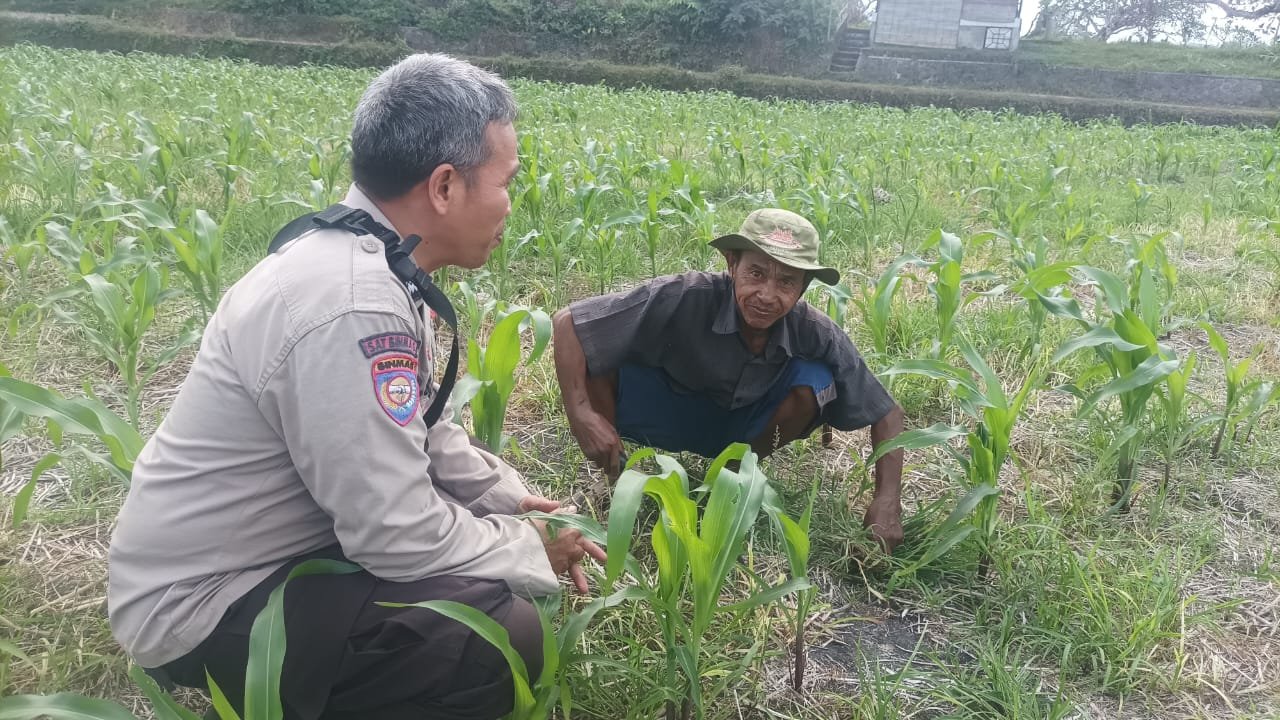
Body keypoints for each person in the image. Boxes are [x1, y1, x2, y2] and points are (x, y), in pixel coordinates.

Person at [107, 53, 603, 720]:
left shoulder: (366, 261)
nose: (510, 204)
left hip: (256, 556)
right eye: (505, 182)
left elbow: (422, 429)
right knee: (501, 635)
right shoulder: (353, 305)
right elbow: (394, 534)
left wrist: (510, 502)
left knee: (481, 570)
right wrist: (526, 549)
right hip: (203, 602)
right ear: (444, 186)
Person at [553, 208, 905, 552]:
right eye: (756, 273)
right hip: (670, 414)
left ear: (803, 288)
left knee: (816, 380)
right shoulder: (685, 295)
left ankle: (734, 478)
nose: (767, 295)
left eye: (786, 282)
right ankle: (615, 479)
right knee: (600, 346)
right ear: (732, 264)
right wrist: (581, 414)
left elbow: (887, 412)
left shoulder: (815, 330)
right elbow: (569, 322)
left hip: (748, 430)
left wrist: (887, 502)